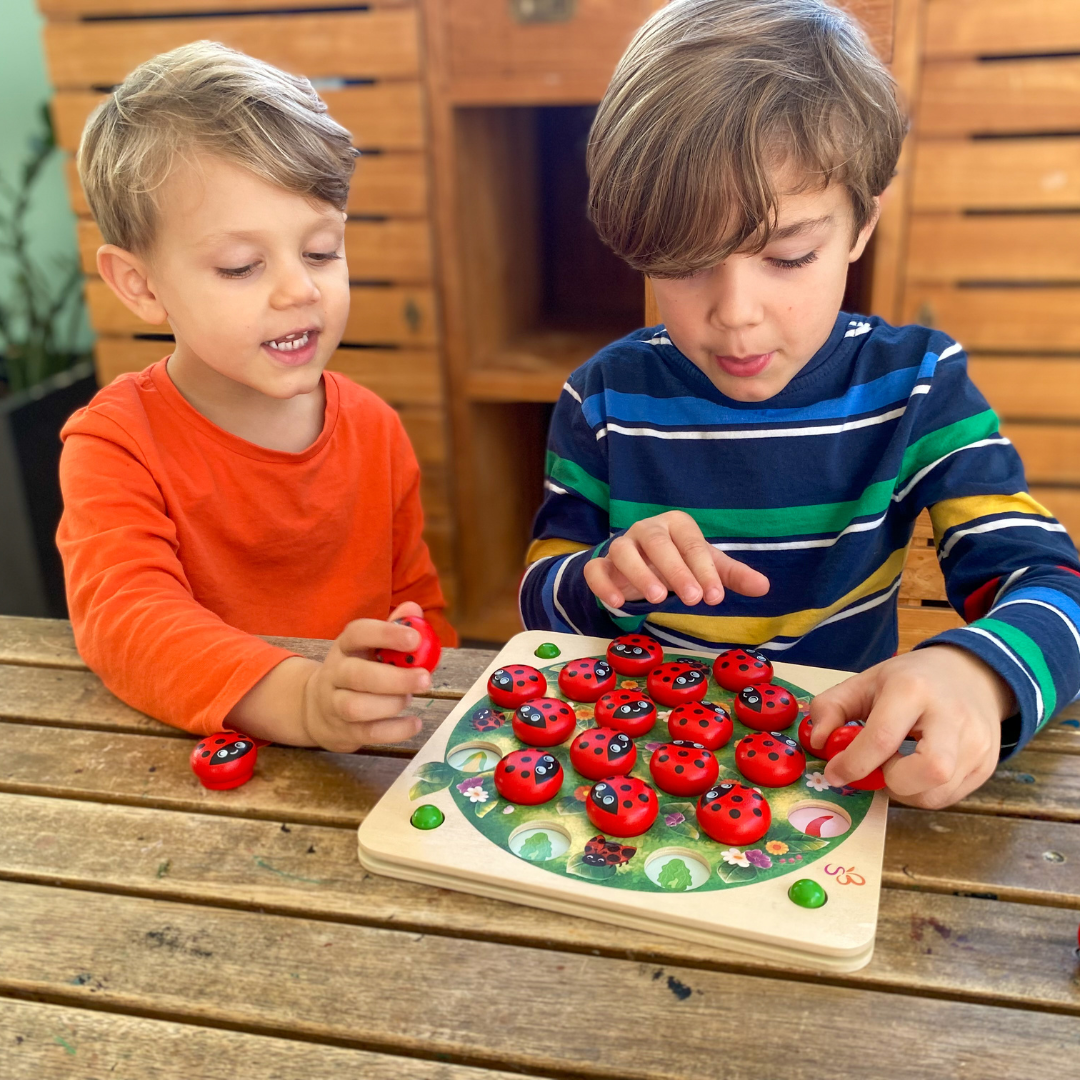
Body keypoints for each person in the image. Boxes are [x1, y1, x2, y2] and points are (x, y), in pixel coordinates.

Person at [519, 0, 1080, 809]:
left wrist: (978, 671)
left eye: (789, 256)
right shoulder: (605, 396)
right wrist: (604, 577)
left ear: (859, 226)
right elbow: (541, 597)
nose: (735, 312)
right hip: (642, 760)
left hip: (834, 766)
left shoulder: (917, 386)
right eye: (685, 264)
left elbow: (1052, 580)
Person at [58, 41, 456, 751]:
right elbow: (126, 621)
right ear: (141, 286)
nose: (299, 290)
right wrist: (302, 699)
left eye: (321, 251)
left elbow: (419, 610)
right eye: (241, 266)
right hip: (192, 771)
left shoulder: (374, 428)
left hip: (361, 767)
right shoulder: (113, 444)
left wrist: (417, 690)